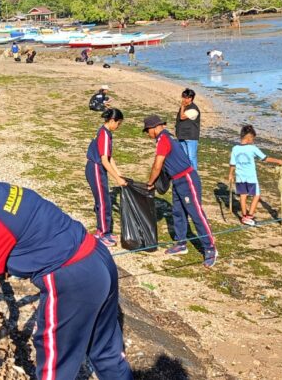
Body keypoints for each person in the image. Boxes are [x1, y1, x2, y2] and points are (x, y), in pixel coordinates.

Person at [0, 148, 133, 379]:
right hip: (98, 258)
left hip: (71, 280)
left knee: (54, 361)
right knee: (106, 350)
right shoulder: (5, 191)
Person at [143, 115, 218, 268]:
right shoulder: (163, 138)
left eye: (147, 130)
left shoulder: (164, 138)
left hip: (187, 179)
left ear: (155, 127)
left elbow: (157, 165)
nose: (147, 134)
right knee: (178, 212)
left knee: (196, 213)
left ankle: (210, 248)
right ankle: (181, 243)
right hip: (177, 180)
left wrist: (150, 183)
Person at [86, 108, 128, 247]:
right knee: (104, 202)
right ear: (112, 121)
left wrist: (119, 172)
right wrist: (117, 179)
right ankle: (102, 233)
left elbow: (110, 157)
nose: (118, 127)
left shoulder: (107, 133)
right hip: (96, 168)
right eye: (118, 123)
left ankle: (104, 230)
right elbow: (104, 160)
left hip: (99, 168)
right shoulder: (104, 134)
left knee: (104, 200)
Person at [229, 125, 282, 225]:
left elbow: (232, 163)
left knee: (243, 195)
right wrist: (278, 161)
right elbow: (264, 158)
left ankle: (244, 216)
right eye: (253, 139)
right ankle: (249, 216)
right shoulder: (252, 148)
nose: (253, 141)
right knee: (256, 195)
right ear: (249, 137)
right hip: (251, 177)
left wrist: (230, 174)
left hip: (240, 176)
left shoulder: (235, 148)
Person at [176, 88, 201, 170]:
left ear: (190, 98)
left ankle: (194, 175)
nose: (183, 99)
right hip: (182, 135)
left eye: (184, 97)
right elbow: (179, 120)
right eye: (182, 97)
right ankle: (187, 174)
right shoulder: (184, 107)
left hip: (191, 137)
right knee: (184, 157)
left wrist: (182, 106)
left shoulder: (194, 109)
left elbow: (182, 117)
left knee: (191, 157)